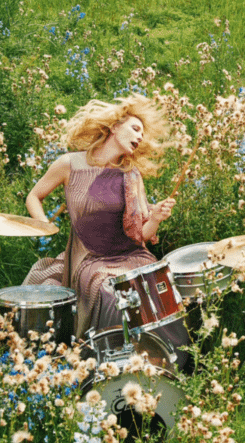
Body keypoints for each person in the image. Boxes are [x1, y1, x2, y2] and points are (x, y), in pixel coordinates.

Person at [23, 95, 189, 368]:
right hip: (91, 259)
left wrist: (156, 217)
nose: (140, 136)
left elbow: (142, 235)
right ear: (114, 126)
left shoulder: (130, 174)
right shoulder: (69, 164)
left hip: (131, 255)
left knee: (160, 290)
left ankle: (167, 366)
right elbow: (34, 196)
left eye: (143, 134)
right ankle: (107, 367)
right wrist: (44, 226)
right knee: (113, 294)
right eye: (135, 128)